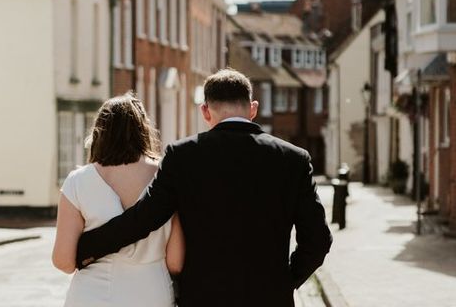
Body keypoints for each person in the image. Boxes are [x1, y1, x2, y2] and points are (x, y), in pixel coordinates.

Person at [75, 68, 332, 307]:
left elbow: (145, 218)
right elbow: (318, 240)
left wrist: (86, 248)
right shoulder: (294, 159)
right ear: (253, 109)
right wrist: (284, 282)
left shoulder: (182, 155)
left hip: (202, 298)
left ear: (205, 111)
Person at [52, 93, 185, 307]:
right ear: (143, 131)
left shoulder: (78, 182)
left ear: (99, 132)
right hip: (150, 295)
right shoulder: (166, 177)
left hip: (91, 296)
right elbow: (175, 261)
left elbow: (64, 261)